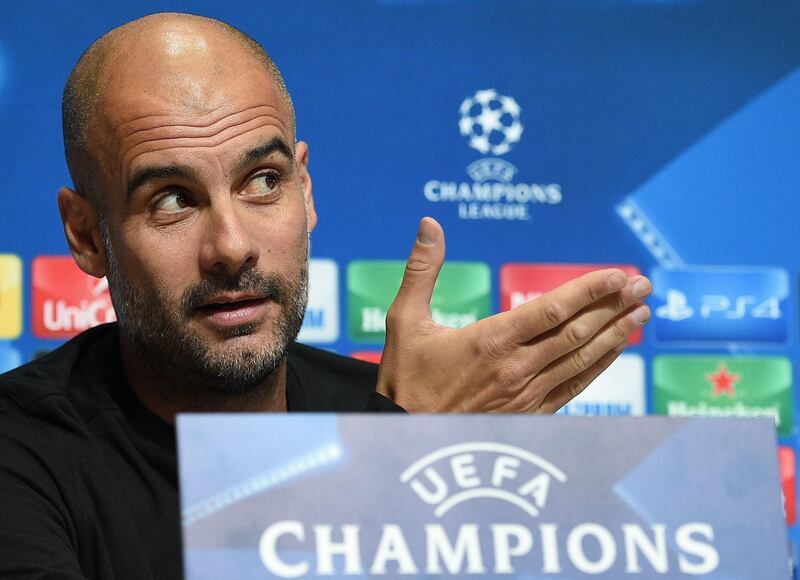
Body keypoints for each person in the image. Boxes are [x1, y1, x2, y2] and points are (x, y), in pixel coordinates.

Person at [0, 12, 652, 579]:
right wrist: (402, 454)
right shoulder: (21, 453)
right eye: (172, 199)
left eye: (262, 181)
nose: (231, 246)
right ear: (88, 236)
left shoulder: (406, 415)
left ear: (305, 192)